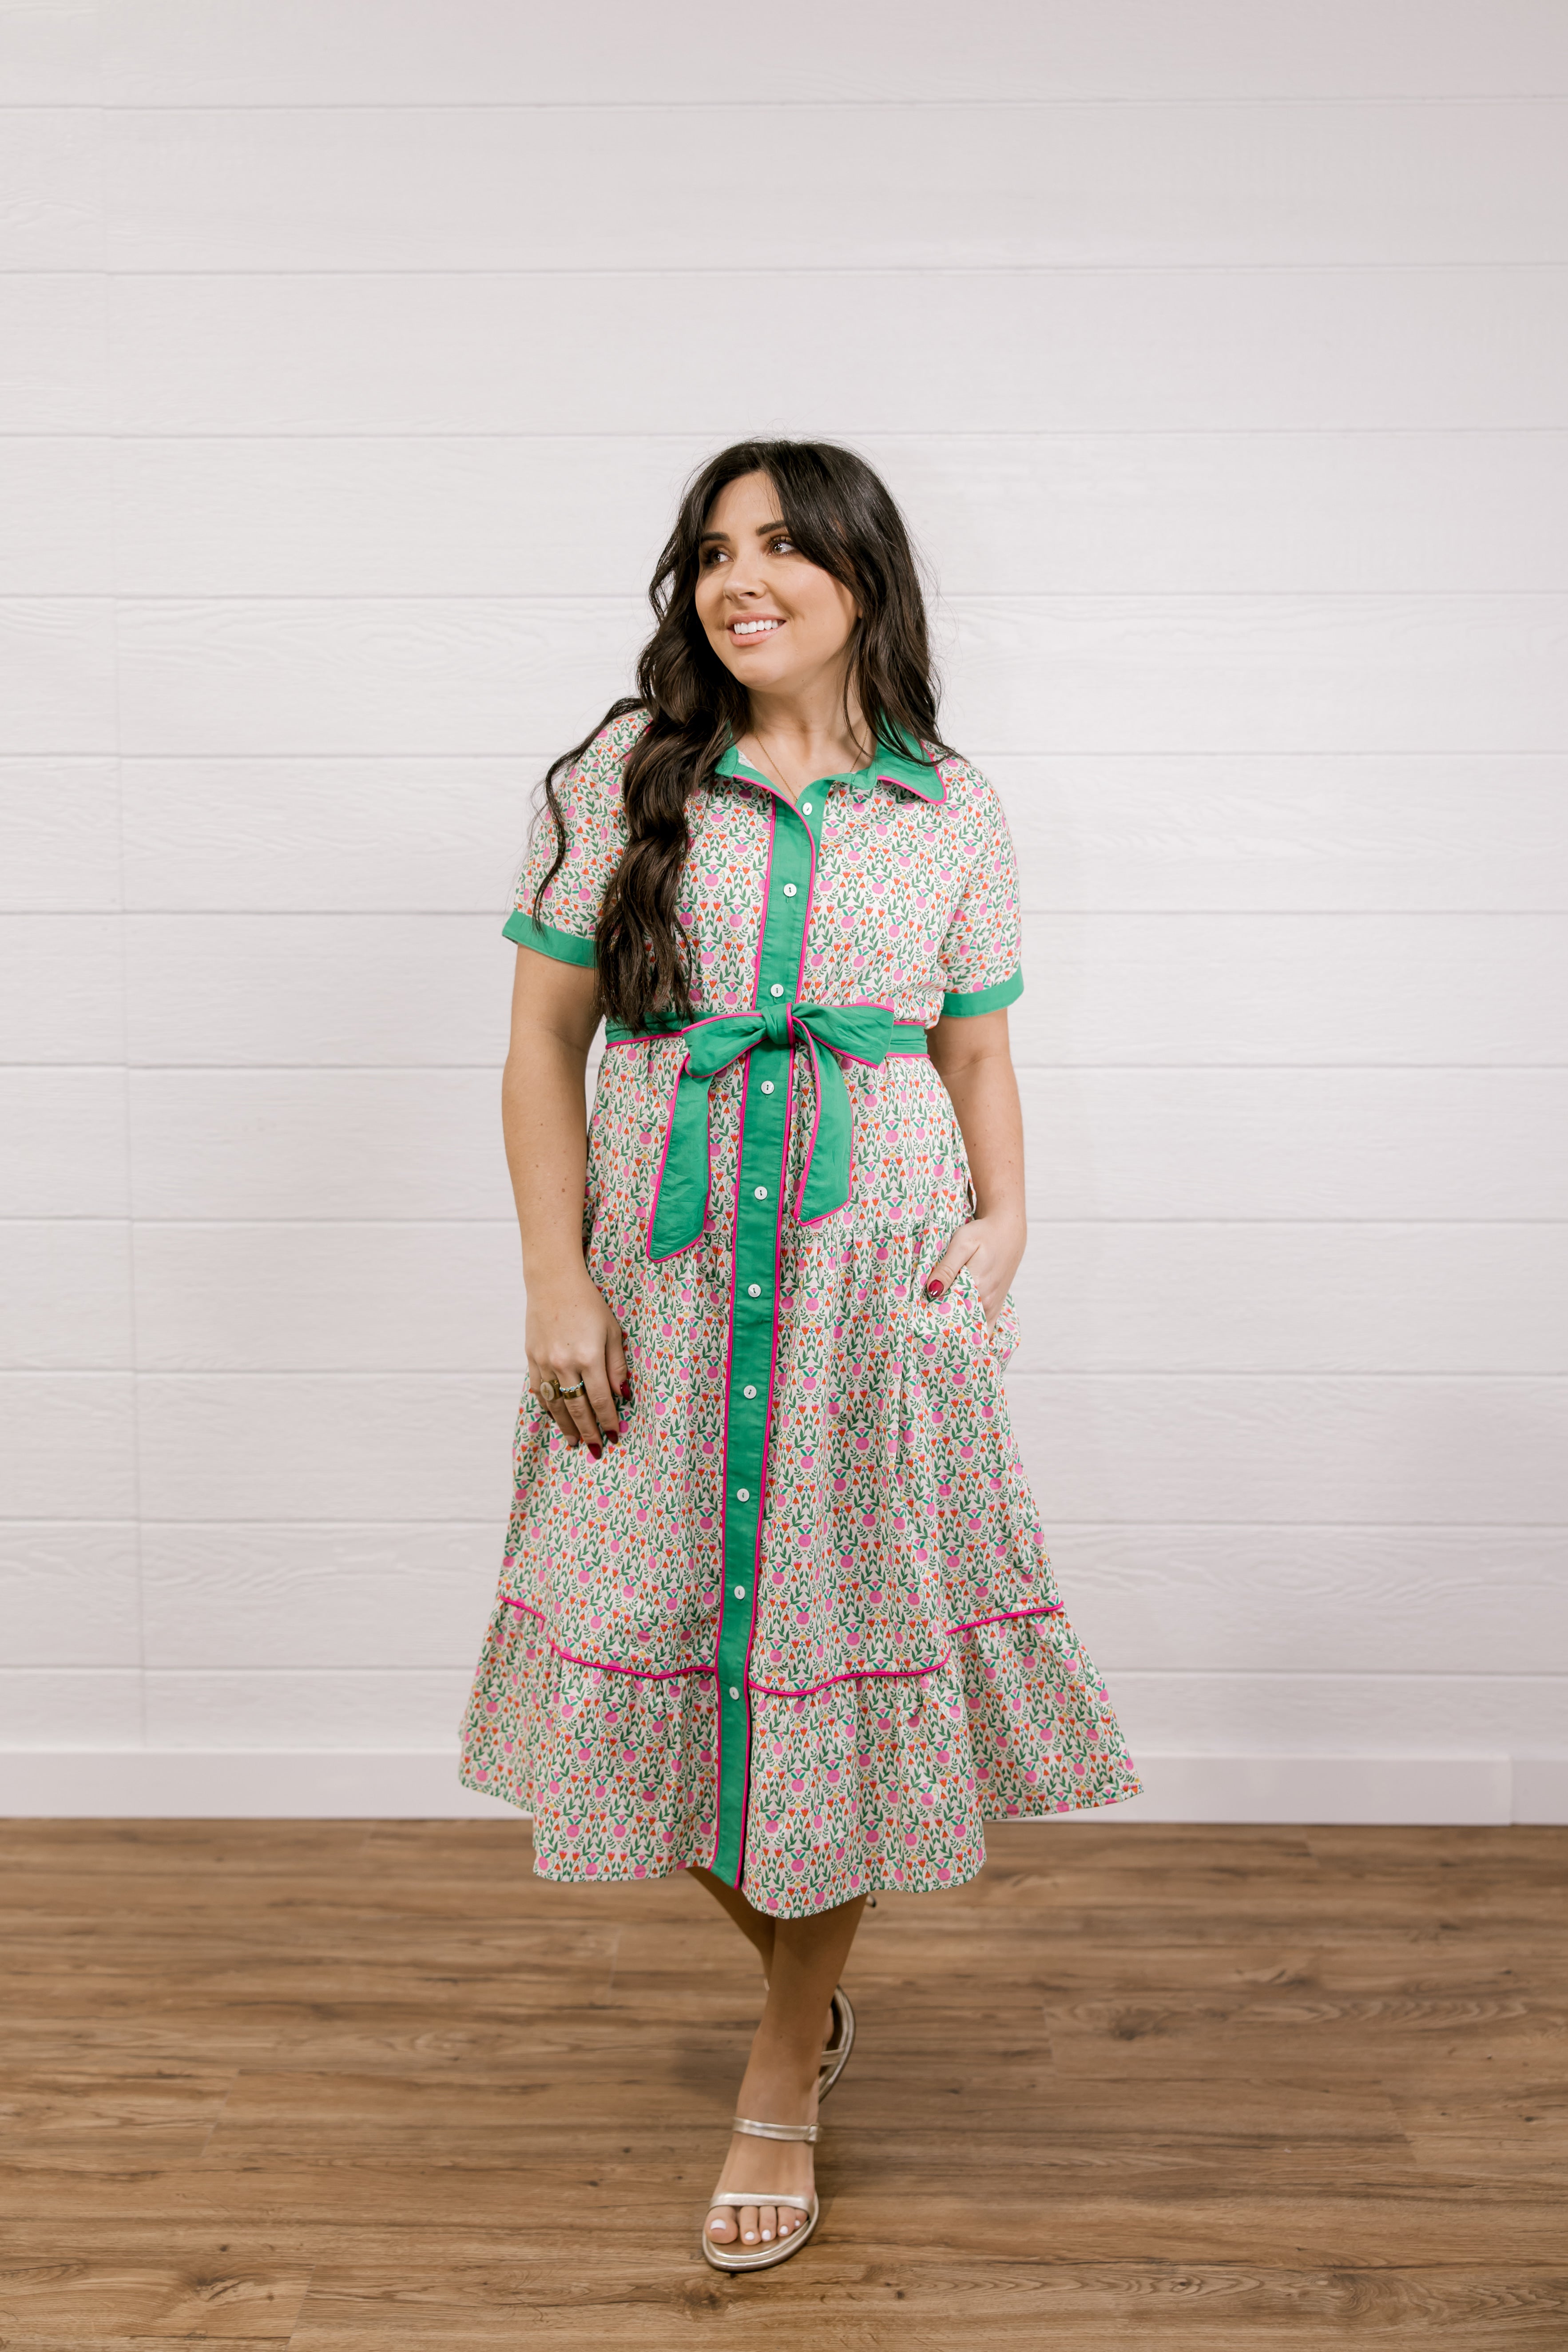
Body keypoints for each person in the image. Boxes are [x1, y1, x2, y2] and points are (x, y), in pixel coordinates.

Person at [459, 440, 1142, 2269]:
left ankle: (782, 2066)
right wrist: (554, 1277)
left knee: (839, 1646)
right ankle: (799, 1972)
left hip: (872, 1290)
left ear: (859, 573)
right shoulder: (622, 774)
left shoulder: (953, 806)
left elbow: (977, 1051)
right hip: (663, 1281)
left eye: (776, 544)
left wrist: (1005, 1222)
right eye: (709, 550)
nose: (735, 577)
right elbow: (541, 1048)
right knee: (638, 1639)